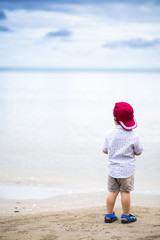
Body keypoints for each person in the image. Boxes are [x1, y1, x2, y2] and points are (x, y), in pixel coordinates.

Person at [102, 102, 144, 224]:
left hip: (113, 170)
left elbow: (105, 150)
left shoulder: (109, 134)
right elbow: (139, 152)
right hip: (127, 170)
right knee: (125, 192)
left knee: (112, 192)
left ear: (115, 119)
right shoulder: (134, 136)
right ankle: (126, 216)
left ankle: (109, 215)